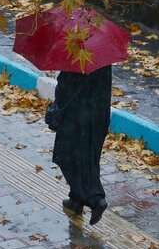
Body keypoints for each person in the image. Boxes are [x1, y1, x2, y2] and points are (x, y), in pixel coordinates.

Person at [48, 65, 112, 225]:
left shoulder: (75, 49)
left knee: (66, 155)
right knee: (88, 156)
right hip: (98, 113)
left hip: (77, 114)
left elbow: (67, 85)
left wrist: (56, 108)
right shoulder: (100, 53)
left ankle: (94, 199)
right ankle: (75, 200)